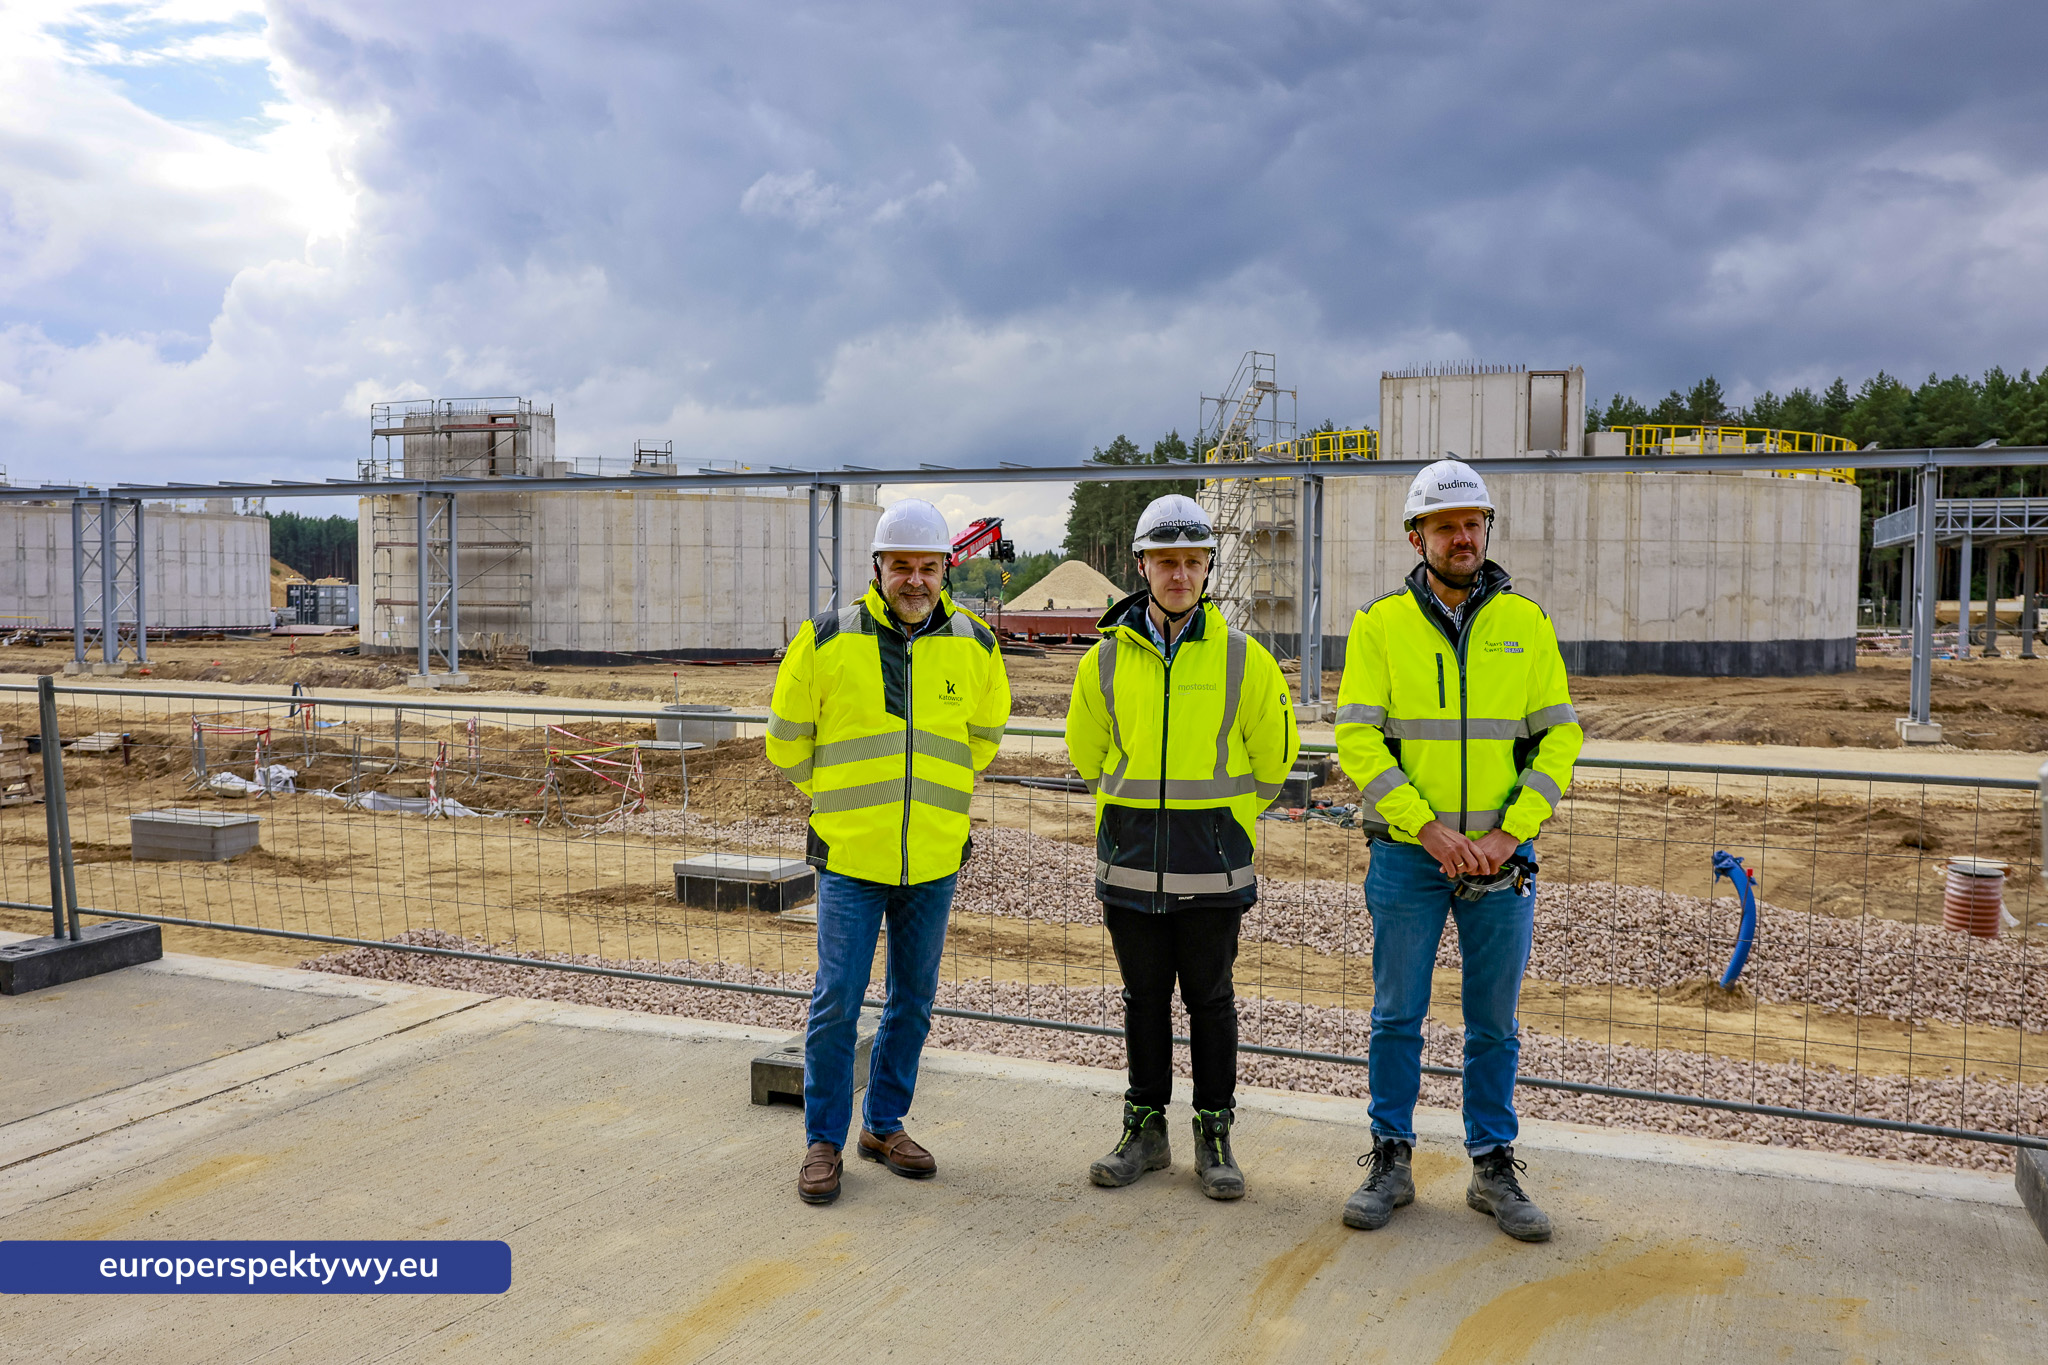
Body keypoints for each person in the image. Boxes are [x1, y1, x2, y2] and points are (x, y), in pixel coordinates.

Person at [1333, 458, 1582, 1242]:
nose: (1463, 536)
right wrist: (1428, 829)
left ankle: (1492, 1165)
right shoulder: (1379, 625)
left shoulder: (1526, 624)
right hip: (1411, 858)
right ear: (1418, 537)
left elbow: (1560, 736)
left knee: (1494, 1023)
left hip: (1503, 861)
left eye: (1473, 522)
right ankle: (1392, 1158)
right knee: (1396, 1014)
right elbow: (1357, 738)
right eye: (1446, 525)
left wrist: (1509, 831)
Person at [766, 498, 1012, 1206]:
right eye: (900, 564)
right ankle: (823, 1140)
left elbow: (985, 736)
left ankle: (884, 1124)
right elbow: (786, 741)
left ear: (945, 570)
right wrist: (837, 794)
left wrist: (936, 798)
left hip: (933, 859)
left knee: (913, 1000)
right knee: (837, 1000)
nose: (914, 578)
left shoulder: (976, 643)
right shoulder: (826, 638)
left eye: (927, 566)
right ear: (877, 567)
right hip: (849, 859)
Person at [1065, 493, 1299, 1200]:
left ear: (1207, 569)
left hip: (1213, 866)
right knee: (1142, 999)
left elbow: (1273, 760)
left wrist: (1218, 823)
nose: (1179, 574)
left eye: (1192, 561)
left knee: (1211, 1000)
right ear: (1142, 566)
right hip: (1130, 862)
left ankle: (1214, 1131)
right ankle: (1145, 1129)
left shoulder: (1243, 660)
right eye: (1165, 561)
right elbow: (1088, 752)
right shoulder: (1105, 661)